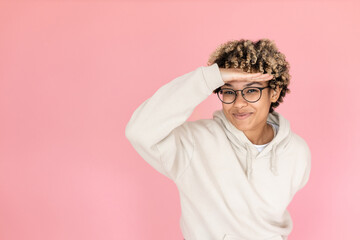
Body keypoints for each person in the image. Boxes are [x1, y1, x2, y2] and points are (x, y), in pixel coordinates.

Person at [125, 39, 311, 240]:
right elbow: (139, 131)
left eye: (251, 90)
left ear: (274, 92)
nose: (239, 103)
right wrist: (210, 78)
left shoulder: (297, 151)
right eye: (229, 91)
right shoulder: (194, 143)